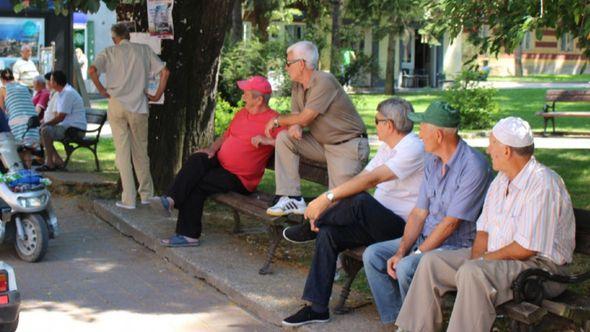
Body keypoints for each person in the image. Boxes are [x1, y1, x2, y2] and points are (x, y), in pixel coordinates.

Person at [396, 117, 576, 332]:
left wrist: (480, 262)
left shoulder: (543, 184)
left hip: (541, 270)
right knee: (431, 263)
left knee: (474, 273)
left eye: (492, 144)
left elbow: (525, 248)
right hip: (501, 258)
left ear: (507, 151)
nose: (488, 150)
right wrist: (476, 259)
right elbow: (483, 231)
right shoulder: (501, 180)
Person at [280, 98, 425, 327]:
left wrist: (326, 198)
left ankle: (310, 226)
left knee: (359, 201)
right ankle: (316, 308)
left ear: (389, 124)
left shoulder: (413, 147)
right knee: (328, 233)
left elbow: (374, 179)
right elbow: (361, 178)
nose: (374, 125)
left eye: (376, 121)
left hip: (401, 229)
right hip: (374, 222)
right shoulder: (389, 147)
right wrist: (329, 202)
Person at [362, 101, 493, 325]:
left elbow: (450, 224)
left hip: (455, 247)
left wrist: (415, 254)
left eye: (422, 128)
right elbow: (418, 213)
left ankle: (416, 325)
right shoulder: (432, 160)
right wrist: (403, 248)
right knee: (373, 255)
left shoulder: (473, 166)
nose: (419, 134)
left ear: (439, 135)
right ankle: (397, 322)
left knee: (406, 267)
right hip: (425, 239)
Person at [150, 76, 283, 247]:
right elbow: (227, 134)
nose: (243, 97)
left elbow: (292, 142)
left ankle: (188, 235)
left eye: (246, 94)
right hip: (221, 162)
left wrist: (267, 141)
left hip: (240, 177)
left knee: (197, 184)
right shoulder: (243, 113)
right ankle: (169, 200)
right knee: (198, 158)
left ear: (258, 100)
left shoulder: (274, 120)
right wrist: (212, 149)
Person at [264, 41, 369, 217]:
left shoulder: (324, 81)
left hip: (346, 146)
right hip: (322, 144)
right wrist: (295, 123)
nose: (286, 67)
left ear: (301, 64)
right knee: (285, 138)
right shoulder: (298, 86)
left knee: (339, 207)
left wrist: (278, 120)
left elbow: (305, 117)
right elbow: (298, 115)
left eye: (289, 63)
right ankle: (292, 197)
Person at [89, 23, 170, 209]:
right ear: (129, 36)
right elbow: (165, 72)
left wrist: (101, 89)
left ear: (113, 38)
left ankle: (129, 199)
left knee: (122, 152)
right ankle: (147, 195)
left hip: (116, 103)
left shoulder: (108, 52)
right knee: (141, 152)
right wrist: (157, 94)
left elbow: (92, 71)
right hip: (139, 105)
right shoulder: (143, 50)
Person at [36, 70, 87, 171]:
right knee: (43, 130)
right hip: (67, 127)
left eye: (50, 80)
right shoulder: (61, 93)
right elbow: (57, 115)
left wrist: (46, 124)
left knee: (45, 130)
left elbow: (60, 117)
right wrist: (46, 124)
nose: (49, 83)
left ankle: (50, 163)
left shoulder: (67, 93)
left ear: (55, 82)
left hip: (75, 130)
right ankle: (57, 160)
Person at [0, 69, 40, 168]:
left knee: (14, 145)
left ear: (2, 79)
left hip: (17, 126)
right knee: (26, 148)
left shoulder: (3, 89)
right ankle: (28, 169)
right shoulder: (24, 87)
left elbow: (1, 111)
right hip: (34, 122)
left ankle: (20, 170)